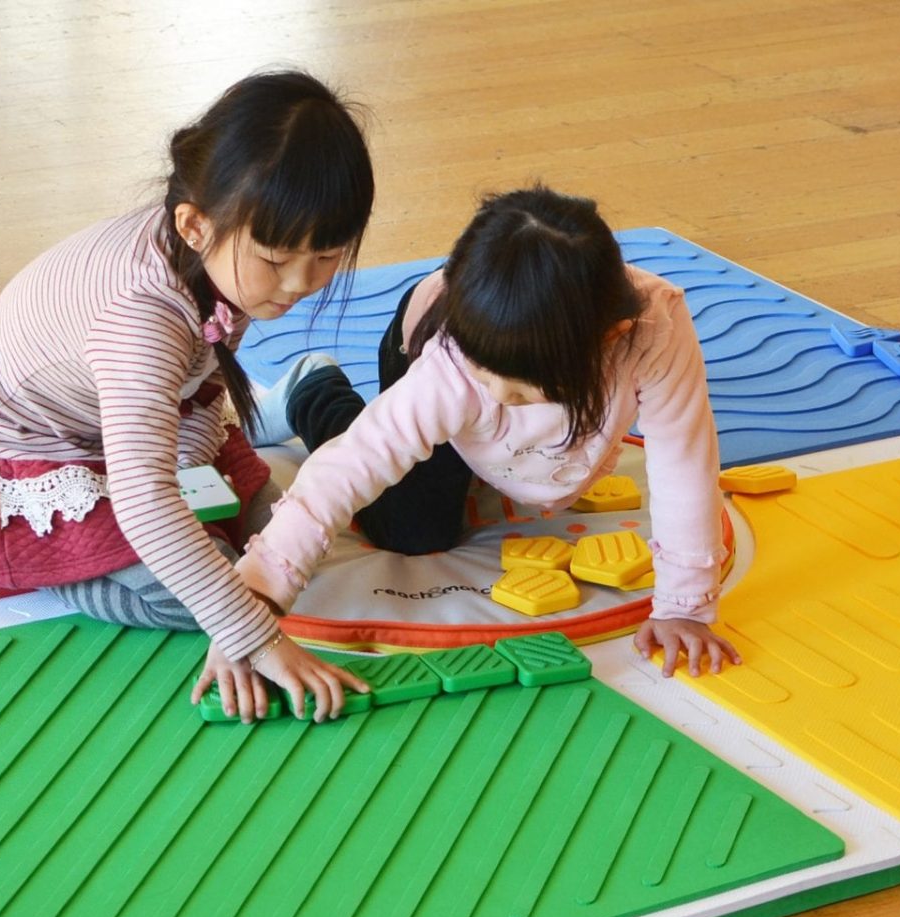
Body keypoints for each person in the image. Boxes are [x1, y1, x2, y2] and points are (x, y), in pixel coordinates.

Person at [0, 69, 372, 721]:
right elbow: (145, 498)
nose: (302, 282)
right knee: (211, 584)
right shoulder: (140, 316)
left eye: (326, 256)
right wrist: (251, 634)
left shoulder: (220, 255)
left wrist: (200, 482)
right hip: (25, 468)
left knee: (286, 532)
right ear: (194, 226)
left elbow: (200, 382)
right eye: (277, 260)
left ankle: (226, 530)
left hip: (128, 429)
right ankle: (66, 575)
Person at [236, 186, 741, 678]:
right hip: (426, 348)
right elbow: (354, 464)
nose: (499, 395)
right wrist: (257, 596)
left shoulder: (653, 335)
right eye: (486, 377)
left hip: (514, 349)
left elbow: (684, 462)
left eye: (522, 392)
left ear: (610, 339)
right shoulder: (451, 366)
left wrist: (683, 605)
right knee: (412, 532)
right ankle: (313, 389)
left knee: (515, 444)